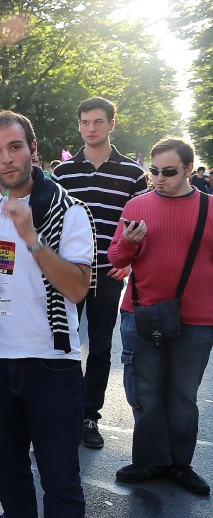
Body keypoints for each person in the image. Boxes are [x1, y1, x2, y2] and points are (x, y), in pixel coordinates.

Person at [0, 111, 95, 518]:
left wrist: (31, 237)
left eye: (15, 147)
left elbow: (77, 287)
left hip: (50, 362)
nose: (6, 158)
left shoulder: (67, 210)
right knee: (7, 465)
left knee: (60, 475)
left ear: (33, 149)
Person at [108, 137, 213, 497]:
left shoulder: (209, 208)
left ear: (188, 170)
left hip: (197, 319)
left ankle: (180, 464)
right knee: (146, 393)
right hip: (142, 312)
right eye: (153, 171)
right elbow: (116, 259)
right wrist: (129, 242)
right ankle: (149, 460)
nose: (159, 178)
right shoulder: (137, 205)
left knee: (183, 395)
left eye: (168, 171)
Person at [52, 97, 147, 449]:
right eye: (85, 122)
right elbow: (52, 222)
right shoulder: (63, 173)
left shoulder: (133, 173)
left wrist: (130, 261)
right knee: (61, 345)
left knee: (101, 349)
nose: (90, 128)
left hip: (108, 274)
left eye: (98, 121)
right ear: (79, 125)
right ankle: (62, 412)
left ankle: (89, 415)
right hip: (68, 273)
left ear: (111, 124)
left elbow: (143, 224)